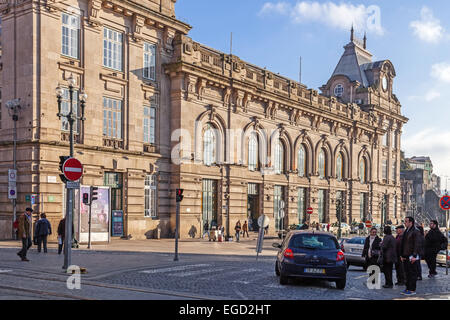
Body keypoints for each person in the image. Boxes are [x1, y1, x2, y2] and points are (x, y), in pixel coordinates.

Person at [400, 216, 422, 296]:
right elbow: (403, 244)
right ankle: (407, 288)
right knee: (406, 273)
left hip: (412, 256)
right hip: (406, 255)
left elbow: (417, 244)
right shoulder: (406, 231)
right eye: (405, 221)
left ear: (411, 222)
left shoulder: (416, 231)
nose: (405, 223)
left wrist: (414, 255)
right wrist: (401, 255)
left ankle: (412, 290)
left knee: (412, 273)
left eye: (406, 221)